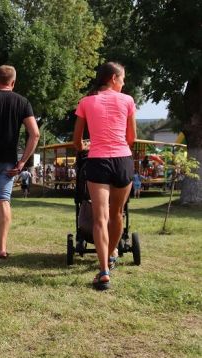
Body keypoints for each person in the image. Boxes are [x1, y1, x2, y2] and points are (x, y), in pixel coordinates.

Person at [73, 61, 136, 290]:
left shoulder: (86, 102)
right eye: (122, 79)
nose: (123, 82)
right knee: (117, 213)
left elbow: (77, 140)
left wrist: (84, 148)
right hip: (122, 160)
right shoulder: (128, 101)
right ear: (113, 78)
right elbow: (132, 138)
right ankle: (110, 255)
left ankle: (104, 271)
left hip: (98, 160)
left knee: (100, 218)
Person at [0, 65, 40, 257]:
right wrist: (22, 162)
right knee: (3, 200)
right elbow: (35, 134)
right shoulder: (22, 102)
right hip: (9, 162)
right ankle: (2, 248)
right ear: (13, 82)